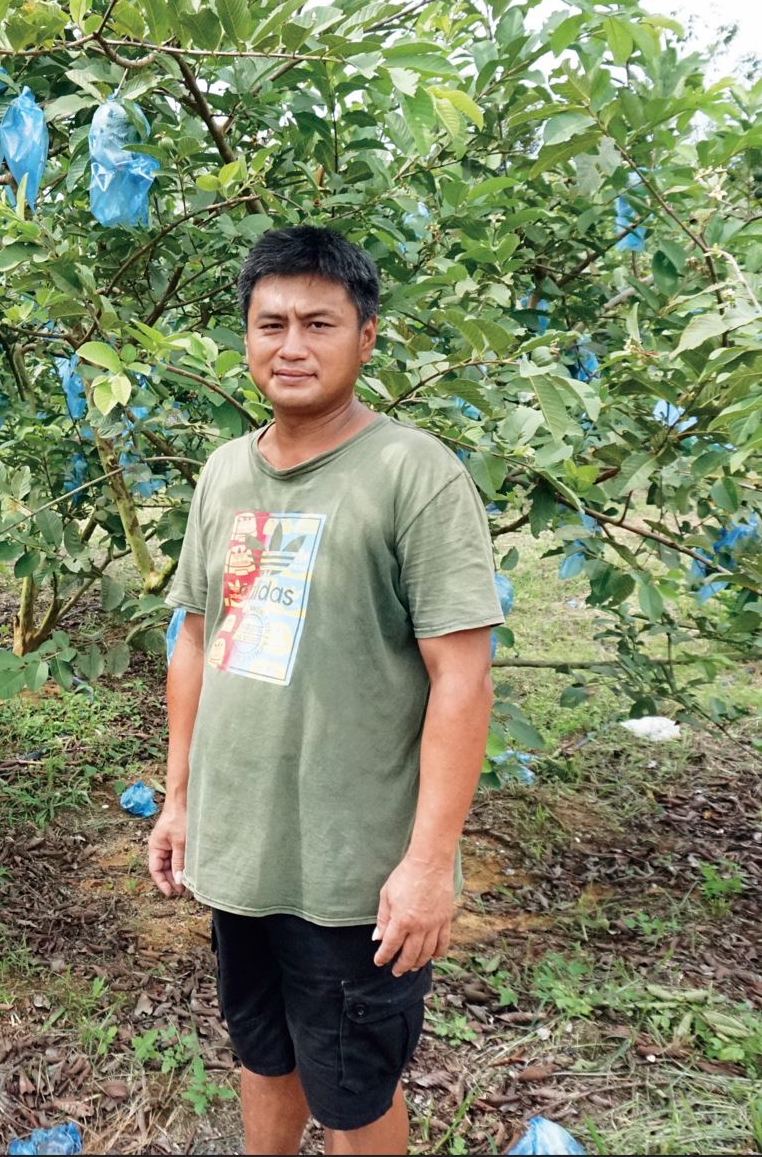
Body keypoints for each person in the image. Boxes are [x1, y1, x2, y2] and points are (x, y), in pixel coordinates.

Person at [150, 226, 502, 1155]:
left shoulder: (412, 475)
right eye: (271, 324)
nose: (292, 346)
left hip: (353, 873)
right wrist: (180, 798)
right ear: (245, 339)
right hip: (240, 846)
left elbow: (460, 678)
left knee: (352, 1089)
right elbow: (195, 638)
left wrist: (428, 863)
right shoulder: (225, 471)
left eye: (319, 322)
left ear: (366, 337)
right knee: (263, 1054)